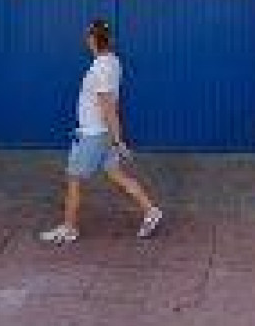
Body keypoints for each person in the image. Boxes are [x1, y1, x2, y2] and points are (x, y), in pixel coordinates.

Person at [40, 20, 163, 245]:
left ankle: (69, 228)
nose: (86, 39)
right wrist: (114, 138)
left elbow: (108, 106)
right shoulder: (113, 62)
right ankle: (150, 210)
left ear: (92, 39)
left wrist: (119, 140)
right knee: (116, 175)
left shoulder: (101, 68)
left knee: (73, 179)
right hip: (101, 133)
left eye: (88, 36)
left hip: (93, 135)